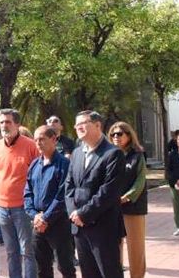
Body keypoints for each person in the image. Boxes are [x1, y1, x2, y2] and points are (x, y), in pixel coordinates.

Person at [64, 111, 124, 278]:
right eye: (76, 125)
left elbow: (108, 192)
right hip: (80, 227)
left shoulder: (113, 154)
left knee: (109, 272)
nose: (78, 128)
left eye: (83, 123)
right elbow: (68, 187)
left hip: (103, 227)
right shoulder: (76, 153)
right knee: (88, 273)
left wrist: (84, 213)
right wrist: (73, 213)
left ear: (98, 125)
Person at [0, 109, 39, 278]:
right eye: (2, 122)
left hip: (23, 206)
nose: (4, 125)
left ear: (17, 124)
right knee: (11, 251)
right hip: (2, 206)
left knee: (27, 250)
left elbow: (37, 177)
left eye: (8, 122)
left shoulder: (30, 145)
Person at [25, 125, 74, 278]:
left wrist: (46, 218)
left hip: (58, 223)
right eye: (36, 140)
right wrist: (35, 216)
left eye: (42, 139)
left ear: (53, 139)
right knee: (42, 268)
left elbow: (62, 196)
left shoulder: (64, 165)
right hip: (38, 224)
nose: (38, 143)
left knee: (65, 266)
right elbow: (27, 193)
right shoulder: (34, 165)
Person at [109, 121, 147, 278]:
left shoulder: (137, 155)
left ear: (129, 136)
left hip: (133, 207)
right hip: (112, 207)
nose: (116, 137)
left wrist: (128, 196)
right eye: (113, 134)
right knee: (114, 246)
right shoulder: (108, 155)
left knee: (135, 247)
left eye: (119, 134)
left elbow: (140, 180)